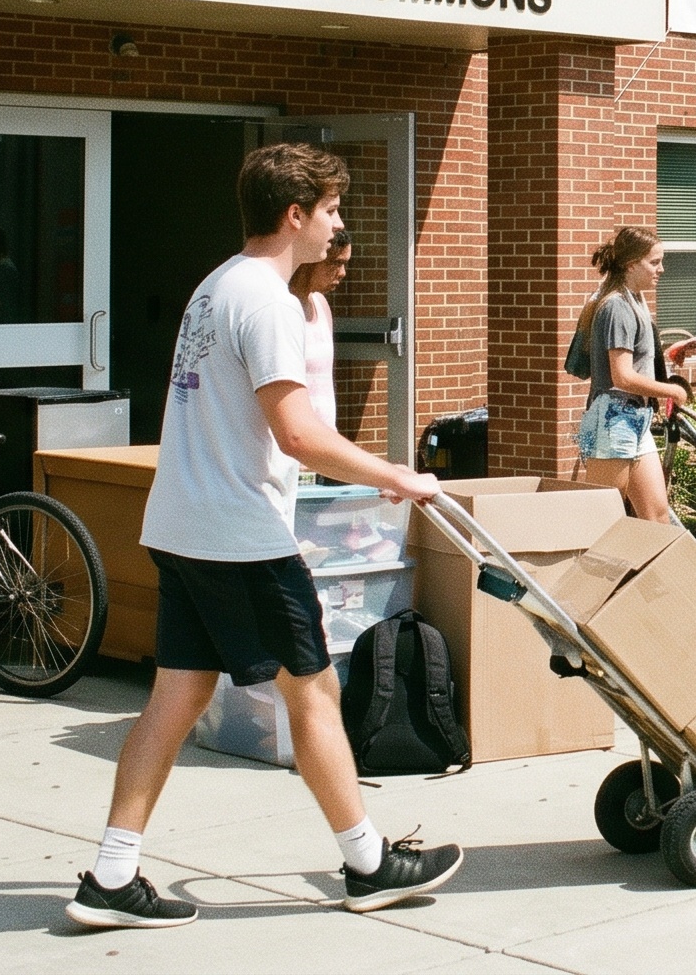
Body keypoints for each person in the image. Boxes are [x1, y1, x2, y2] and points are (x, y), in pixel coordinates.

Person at [67, 143, 456, 931]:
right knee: (314, 692)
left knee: (177, 696)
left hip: (182, 525)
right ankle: (368, 863)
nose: (338, 225)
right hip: (238, 533)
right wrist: (394, 473)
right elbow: (297, 430)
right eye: (333, 211)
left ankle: (111, 877)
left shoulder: (214, 288)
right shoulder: (271, 301)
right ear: (296, 215)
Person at [573, 226, 684, 523]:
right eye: (654, 262)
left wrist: (672, 352)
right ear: (631, 264)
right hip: (613, 418)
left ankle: (651, 571)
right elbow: (621, 377)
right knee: (600, 518)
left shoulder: (633, 300)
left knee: (656, 515)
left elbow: (638, 359)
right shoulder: (617, 307)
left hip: (634, 418)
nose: (661, 269)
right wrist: (671, 390)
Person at [289, 230, 354, 435]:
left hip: (324, 443)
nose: (342, 272)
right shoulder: (281, 307)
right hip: (291, 449)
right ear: (314, 259)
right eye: (335, 263)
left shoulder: (321, 304)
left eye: (345, 264)